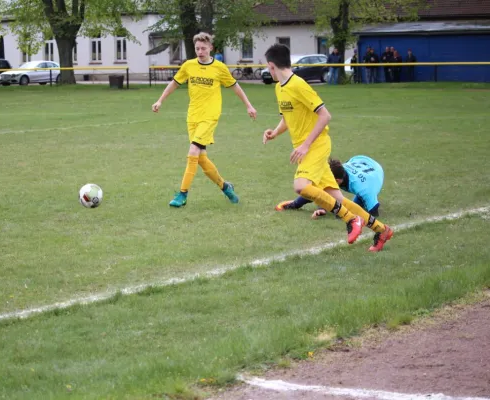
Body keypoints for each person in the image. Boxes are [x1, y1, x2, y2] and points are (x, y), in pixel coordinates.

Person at [261, 44, 394, 252]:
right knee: (337, 198)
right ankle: (381, 230)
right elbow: (287, 118)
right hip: (308, 148)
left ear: (271, 66)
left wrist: (305, 145)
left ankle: (350, 220)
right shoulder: (279, 88)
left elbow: (325, 115)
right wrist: (275, 132)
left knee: (301, 186)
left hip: (316, 145)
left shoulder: (299, 85)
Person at [152, 32, 257, 207]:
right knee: (200, 158)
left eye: (203, 48)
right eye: (197, 48)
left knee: (193, 151)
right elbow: (174, 83)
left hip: (210, 116)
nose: (200, 51)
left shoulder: (219, 68)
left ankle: (182, 195)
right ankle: (225, 187)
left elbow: (235, 86)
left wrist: (248, 105)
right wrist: (160, 100)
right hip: (192, 116)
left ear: (210, 48)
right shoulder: (189, 65)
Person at [275, 155, 384, 219]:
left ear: (336, 180)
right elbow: (316, 191)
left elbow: (374, 212)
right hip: (360, 160)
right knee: (341, 211)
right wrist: (295, 204)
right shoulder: (339, 171)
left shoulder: (365, 189)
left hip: (376, 174)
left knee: (344, 213)